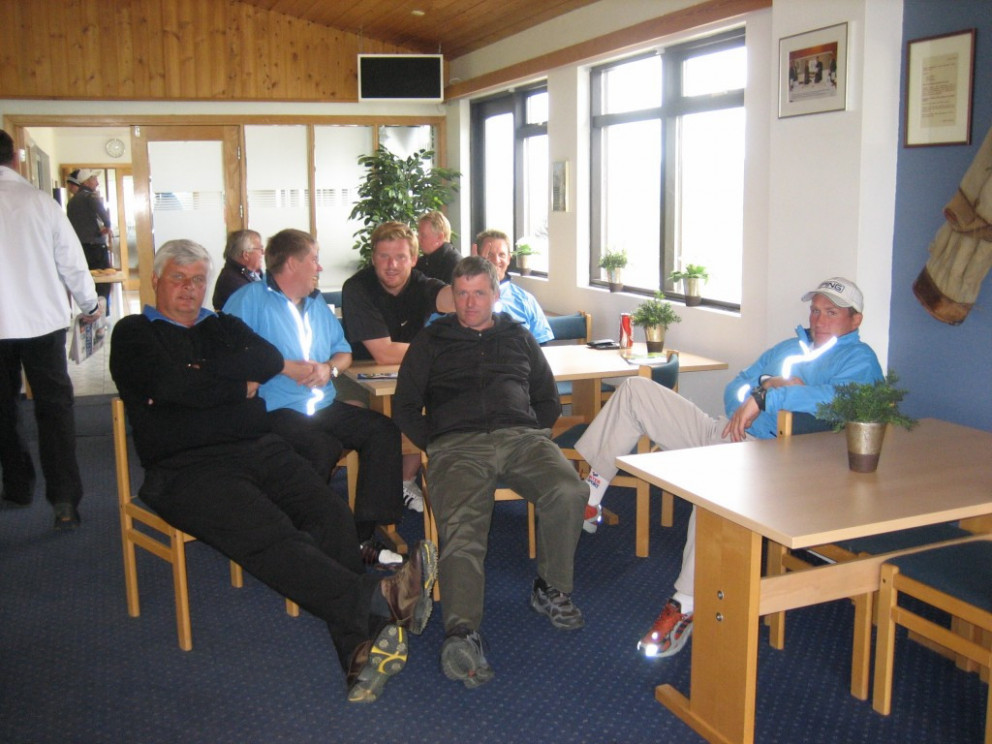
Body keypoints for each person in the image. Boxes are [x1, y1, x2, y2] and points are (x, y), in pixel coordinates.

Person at [109, 238, 437, 703]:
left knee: (330, 514)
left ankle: (360, 648)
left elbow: (264, 362)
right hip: (186, 467)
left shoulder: (219, 324)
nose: (190, 289)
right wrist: (230, 383)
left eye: (198, 280)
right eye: (178, 279)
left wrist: (203, 378)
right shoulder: (134, 332)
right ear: (156, 280)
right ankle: (374, 602)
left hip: (258, 447)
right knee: (272, 533)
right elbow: (167, 383)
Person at [573, 277, 883, 659]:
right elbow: (734, 389)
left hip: (774, 458)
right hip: (726, 432)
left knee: (715, 486)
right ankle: (591, 498)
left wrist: (770, 395)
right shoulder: (788, 348)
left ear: (855, 320)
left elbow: (841, 402)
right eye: (815, 310)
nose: (819, 320)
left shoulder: (859, 360)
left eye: (831, 312)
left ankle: (686, 604)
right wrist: (762, 388)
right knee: (636, 391)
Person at [394, 256, 588, 689]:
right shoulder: (432, 339)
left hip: (521, 438)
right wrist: (435, 442)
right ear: (452, 295)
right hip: (457, 445)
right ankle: (462, 632)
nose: (469, 303)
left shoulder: (518, 336)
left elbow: (548, 399)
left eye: (479, 293)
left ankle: (551, 588)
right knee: (464, 527)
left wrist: (533, 432)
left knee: (569, 490)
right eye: (461, 294)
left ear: (496, 295)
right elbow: (404, 406)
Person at [223, 228, 405, 566]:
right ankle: (300, 539)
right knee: (320, 447)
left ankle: (361, 536)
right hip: (274, 409)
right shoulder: (248, 301)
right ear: (292, 263)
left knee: (383, 430)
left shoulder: (317, 304)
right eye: (314, 260)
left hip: (322, 405)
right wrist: (281, 367)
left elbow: (343, 353)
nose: (319, 267)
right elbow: (228, 357)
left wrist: (329, 370)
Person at [0, 130, 103, 529]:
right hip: (43, 323)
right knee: (54, 410)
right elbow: (71, 263)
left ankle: (17, 486)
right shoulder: (41, 203)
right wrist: (90, 305)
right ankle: (64, 501)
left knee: (3, 410)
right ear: (16, 158)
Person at [342, 221, 455, 512]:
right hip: (354, 374)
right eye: (384, 256)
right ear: (373, 258)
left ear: (414, 259)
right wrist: (438, 351)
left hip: (406, 372)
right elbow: (382, 353)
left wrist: (471, 289)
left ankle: (405, 480)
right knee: (366, 420)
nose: (392, 265)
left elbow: (452, 297)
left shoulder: (421, 284)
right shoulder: (357, 288)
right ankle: (367, 489)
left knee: (439, 401)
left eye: (400, 257)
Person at [475, 229, 554, 344]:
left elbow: (541, 344)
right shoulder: (462, 299)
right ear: (478, 257)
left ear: (508, 259)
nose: (496, 260)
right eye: (489, 255)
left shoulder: (526, 300)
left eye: (502, 255)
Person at [66, 168, 114, 310]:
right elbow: (105, 217)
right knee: (103, 282)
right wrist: (107, 226)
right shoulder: (90, 197)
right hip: (96, 246)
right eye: (94, 179)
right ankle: (102, 313)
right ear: (87, 182)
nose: (97, 183)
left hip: (81, 248)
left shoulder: (72, 202)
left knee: (88, 282)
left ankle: (90, 311)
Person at [212, 229, 264, 310]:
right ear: (246, 255)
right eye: (260, 248)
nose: (263, 252)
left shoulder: (252, 274)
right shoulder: (231, 281)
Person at [415, 210, 461, 283]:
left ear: (440, 237)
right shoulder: (423, 262)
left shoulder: (454, 266)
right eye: (418, 234)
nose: (418, 239)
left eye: (423, 235)